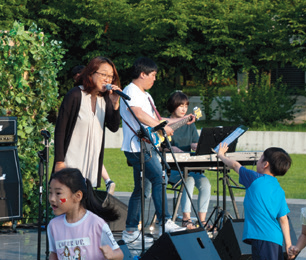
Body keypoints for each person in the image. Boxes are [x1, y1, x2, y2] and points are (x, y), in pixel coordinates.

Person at [216, 145, 301, 260]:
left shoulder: (254, 178)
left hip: (262, 237)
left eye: (260, 158)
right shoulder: (278, 188)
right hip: (275, 238)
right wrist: (288, 245)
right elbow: (284, 219)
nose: (257, 161)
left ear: (265, 164)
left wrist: (221, 155)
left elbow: (235, 165)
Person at [118, 57, 192, 242]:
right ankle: (164, 221)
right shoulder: (131, 91)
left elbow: (159, 122)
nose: (155, 79)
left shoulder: (146, 95)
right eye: (153, 75)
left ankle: (130, 230)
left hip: (147, 146)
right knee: (160, 178)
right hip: (138, 147)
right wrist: (160, 127)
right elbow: (138, 113)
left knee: (141, 190)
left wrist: (183, 120)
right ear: (142, 74)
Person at [53, 58, 122, 190]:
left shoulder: (105, 98)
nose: (108, 79)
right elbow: (60, 130)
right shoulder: (75, 95)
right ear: (91, 73)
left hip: (91, 166)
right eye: (104, 74)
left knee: (85, 206)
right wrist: (59, 161)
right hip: (71, 162)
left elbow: (113, 127)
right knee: (66, 204)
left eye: (111, 76)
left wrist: (115, 104)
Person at [163, 91, 210, 228]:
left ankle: (202, 220)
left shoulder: (190, 124)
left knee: (205, 184)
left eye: (186, 106)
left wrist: (200, 146)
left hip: (190, 166)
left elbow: (194, 143)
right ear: (173, 106)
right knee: (188, 180)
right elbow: (162, 146)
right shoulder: (166, 123)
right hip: (173, 169)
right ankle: (186, 218)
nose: (184, 109)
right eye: (181, 105)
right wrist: (172, 149)